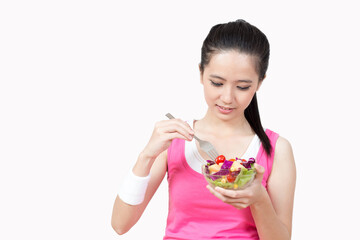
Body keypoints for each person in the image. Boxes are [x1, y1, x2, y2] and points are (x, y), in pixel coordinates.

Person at [111, 19, 296, 240]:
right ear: (201, 74)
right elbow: (120, 225)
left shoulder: (276, 150)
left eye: (242, 87)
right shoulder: (174, 142)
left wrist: (259, 199)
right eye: (217, 83)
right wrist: (146, 155)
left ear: (259, 83)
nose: (227, 98)